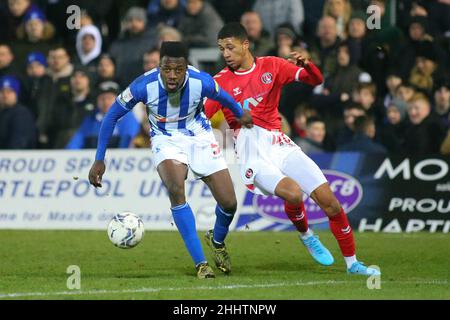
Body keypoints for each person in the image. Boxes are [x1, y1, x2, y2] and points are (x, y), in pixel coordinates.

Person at [205, 23, 380, 276]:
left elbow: (315, 80)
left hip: (280, 143)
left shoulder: (272, 66)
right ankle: (307, 235)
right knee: (294, 193)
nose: (226, 54)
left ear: (246, 44)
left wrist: (308, 64)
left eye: (230, 47)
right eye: (222, 49)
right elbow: (201, 117)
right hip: (251, 151)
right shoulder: (219, 83)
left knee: (331, 204)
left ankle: (353, 264)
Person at [88, 42, 253, 279]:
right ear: (159, 66)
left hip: (200, 136)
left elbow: (223, 97)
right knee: (176, 188)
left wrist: (240, 113)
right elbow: (112, 115)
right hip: (166, 140)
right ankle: (201, 264)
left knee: (229, 203)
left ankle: (216, 241)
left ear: (187, 67)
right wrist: (99, 159)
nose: (172, 75)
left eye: (178, 69)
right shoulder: (143, 85)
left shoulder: (202, 81)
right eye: (167, 69)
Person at [66, 81, 139, 149]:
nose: (106, 102)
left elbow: (128, 142)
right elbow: (76, 143)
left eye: (109, 98)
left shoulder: (128, 118)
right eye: (102, 98)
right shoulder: (90, 119)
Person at [0, 75, 36, 149]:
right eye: (2, 91)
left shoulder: (21, 114)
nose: (5, 95)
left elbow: (19, 144)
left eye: (9, 91)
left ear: (16, 94)